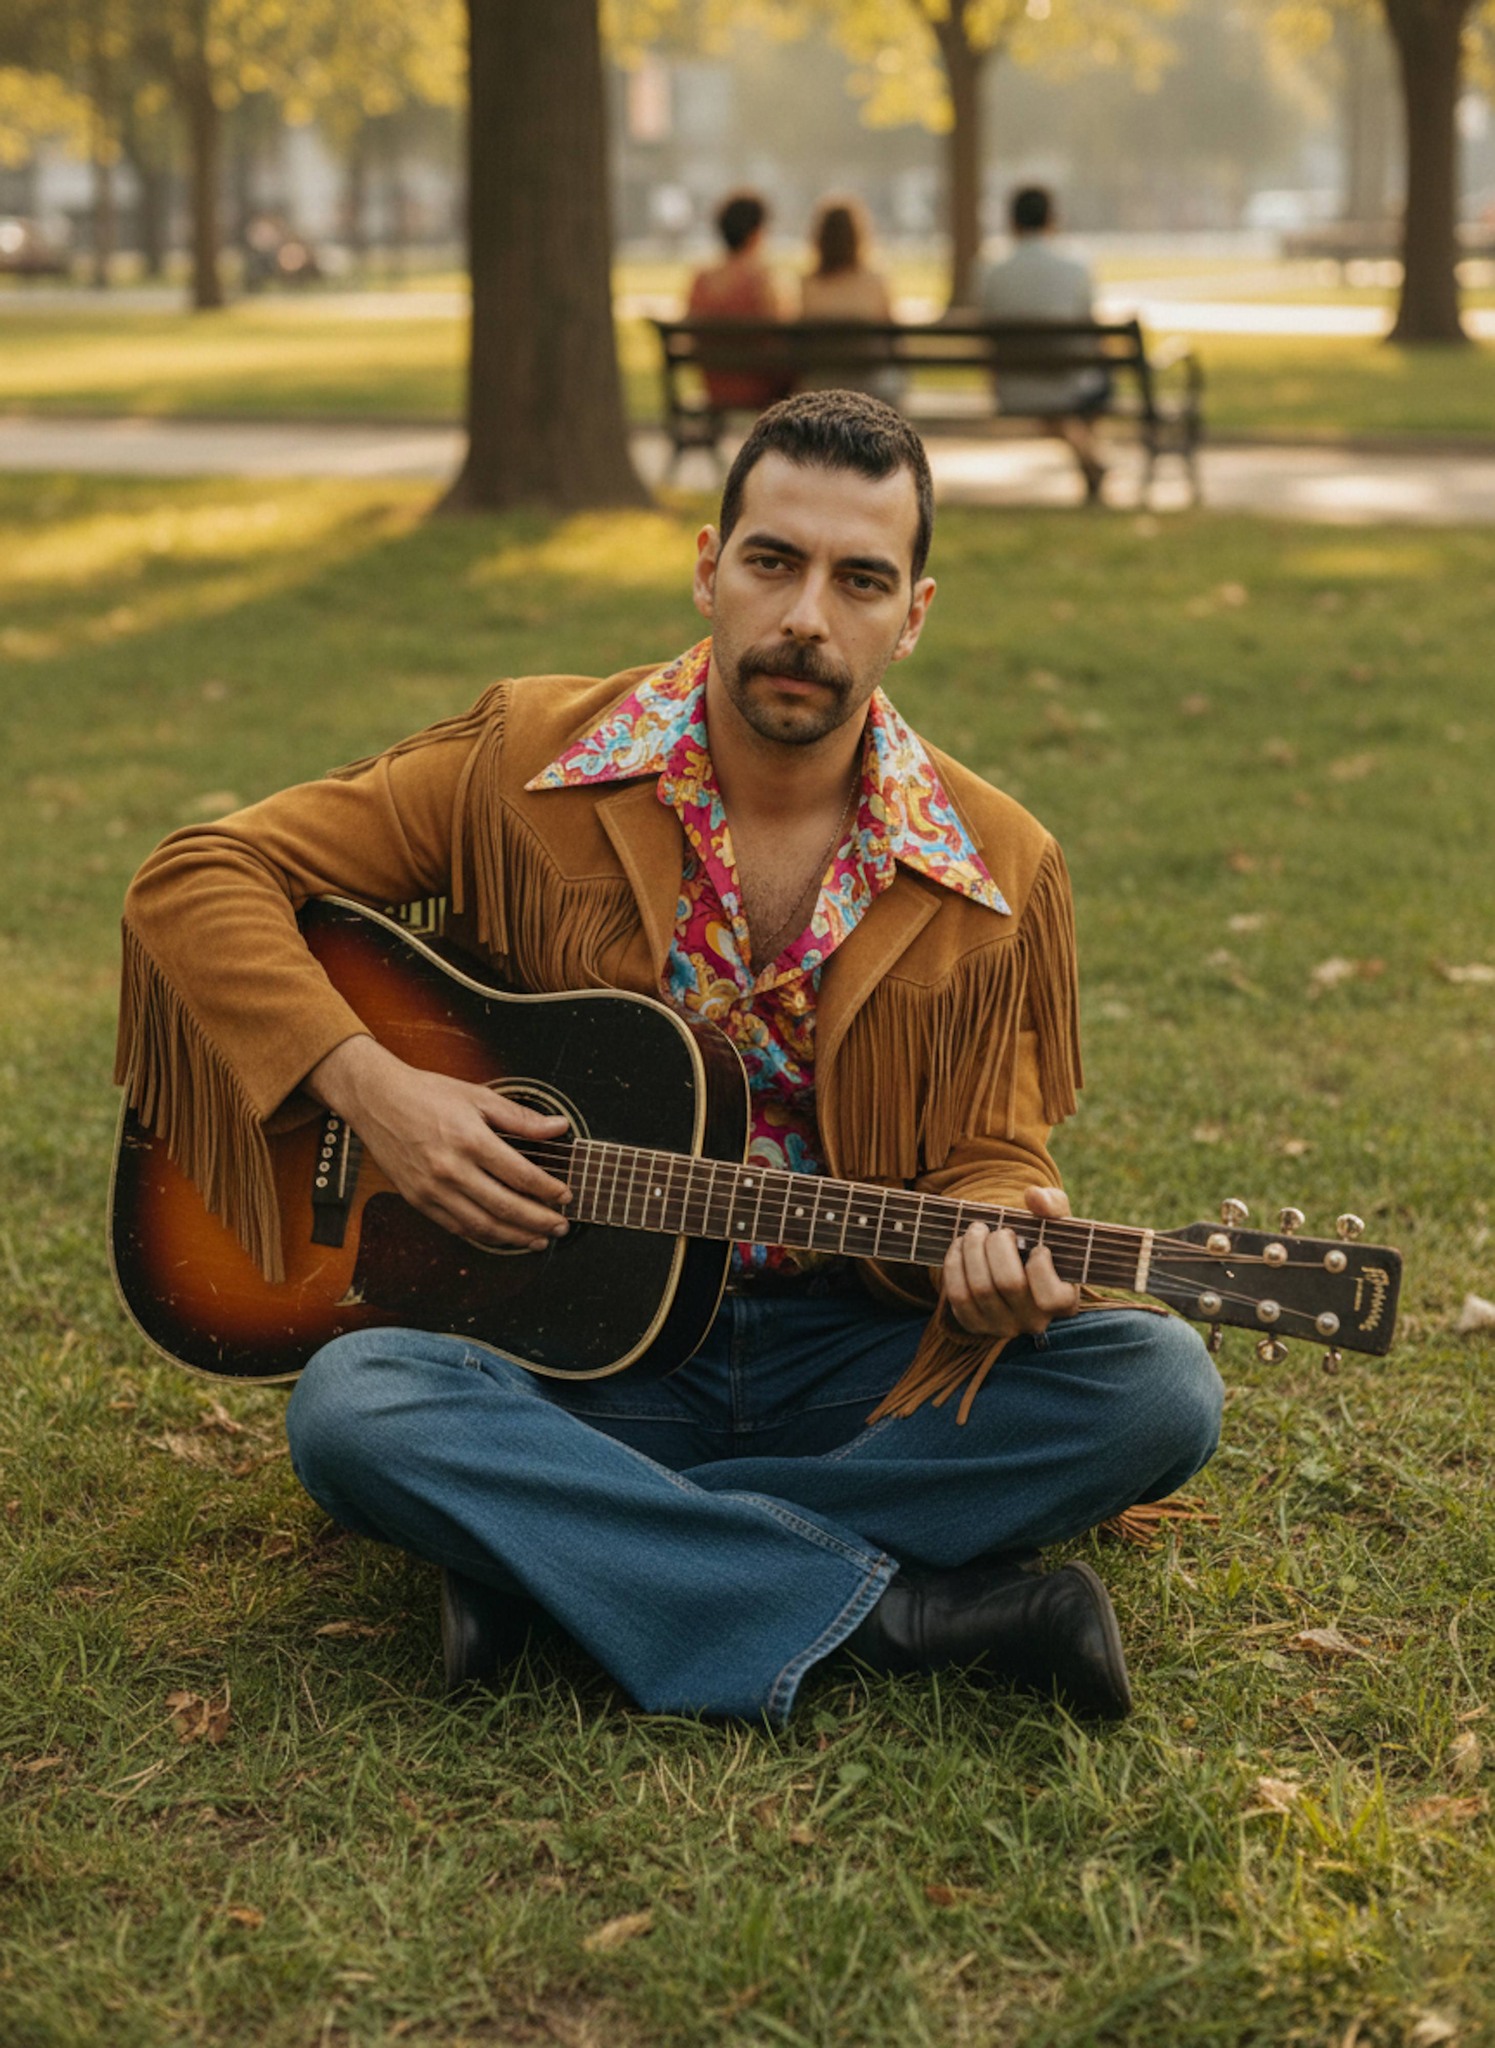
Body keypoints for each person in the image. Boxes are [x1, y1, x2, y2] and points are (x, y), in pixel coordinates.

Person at [117, 391, 1223, 1729]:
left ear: (911, 614)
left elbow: (991, 1152)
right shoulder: (523, 758)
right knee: (358, 1406)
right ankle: (897, 1611)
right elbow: (199, 875)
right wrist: (374, 1088)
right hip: (567, 1358)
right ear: (709, 568)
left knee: (1151, 1388)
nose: (806, 617)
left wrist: (1000, 1237)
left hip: (843, 1359)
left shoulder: (995, 867)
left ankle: (564, 1565)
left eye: (857, 580)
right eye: (773, 562)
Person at [978, 186, 1111, 503]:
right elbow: (1092, 334)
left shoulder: (991, 272)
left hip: (1011, 389)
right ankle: (1090, 458)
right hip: (1067, 387)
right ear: (1053, 219)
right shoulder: (1076, 269)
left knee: (1062, 387)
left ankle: (1091, 460)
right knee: (1099, 381)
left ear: (1012, 222)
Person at [686, 189, 792, 412]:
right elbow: (779, 332)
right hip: (759, 387)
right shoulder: (761, 279)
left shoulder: (701, 279)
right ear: (756, 232)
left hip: (715, 385)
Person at [799, 197, 901, 401]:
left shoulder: (808, 285)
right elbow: (892, 339)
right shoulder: (875, 282)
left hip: (819, 382)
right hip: (870, 384)